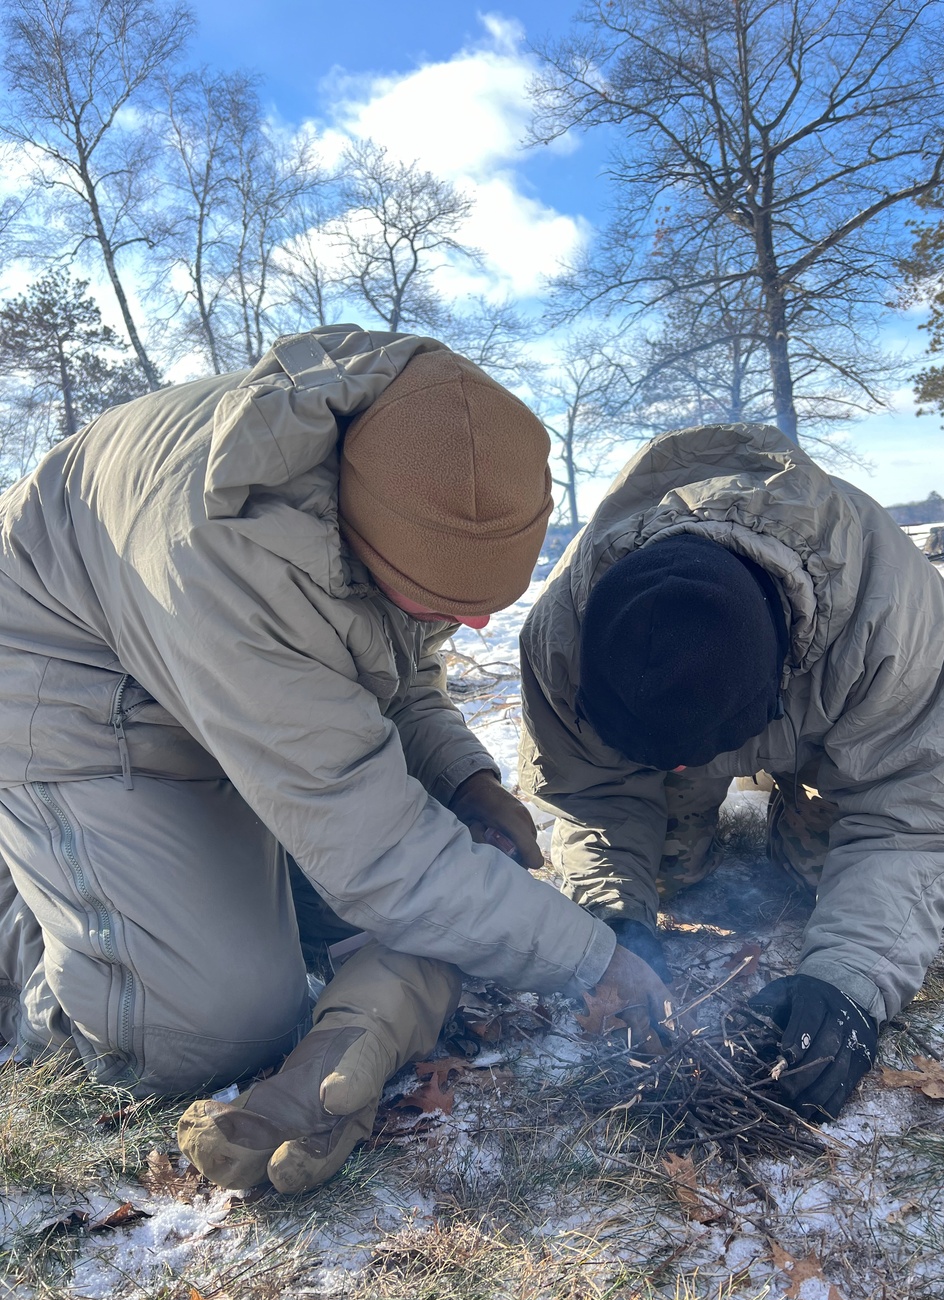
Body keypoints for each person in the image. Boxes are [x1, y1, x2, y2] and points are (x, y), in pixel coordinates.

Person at [0, 325, 669, 1193]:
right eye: (444, 604)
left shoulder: (408, 469)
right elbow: (381, 858)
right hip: (72, 703)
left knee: (387, 917)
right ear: (369, 540)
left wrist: (463, 777)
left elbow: (397, 667)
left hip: (211, 693)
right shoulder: (233, 552)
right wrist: (592, 957)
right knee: (213, 1023)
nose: (470, 632)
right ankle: (33, 910)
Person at [518, 422, 944, 1121]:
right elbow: (592, 796)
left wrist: (847, 982)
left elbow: (923, 814)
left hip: (834, 722)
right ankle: (671, 824)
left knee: (822, 870)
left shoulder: (889, 612)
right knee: (664, 877)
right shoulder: (560, 638)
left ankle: (792, 805)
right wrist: (610, 926)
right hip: (695, 719)